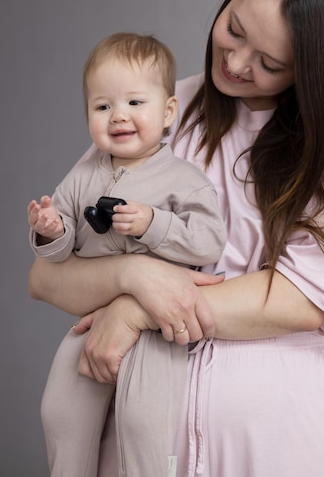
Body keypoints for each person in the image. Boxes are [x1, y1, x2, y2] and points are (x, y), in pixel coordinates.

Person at [29, 0, 324, 477]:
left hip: (277, 440)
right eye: (234, 29)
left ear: (313, 72)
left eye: (269, 62)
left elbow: (307, 295)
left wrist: (138, 307)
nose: (236, 63)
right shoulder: (159, 111)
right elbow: (49, 276)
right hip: (139, 435)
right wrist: (135, 274)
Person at [27, 32, 226, 477]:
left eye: (136, 103)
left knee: (146, 425)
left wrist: (154, 223)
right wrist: (51, 230)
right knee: (60, 411)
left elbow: (209, 241)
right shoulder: (83, 174)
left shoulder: (184, 180)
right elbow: (58, 254)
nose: (119, 116)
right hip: (92, 318)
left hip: (156, 329)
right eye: (103, 107)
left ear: (168, 111)